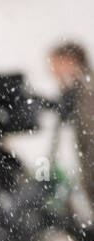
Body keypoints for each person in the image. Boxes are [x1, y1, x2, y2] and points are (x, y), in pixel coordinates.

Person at [51, 41, 94, 215]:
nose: (52, 72)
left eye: (55, 65)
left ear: (71, 62)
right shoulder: (78, 94)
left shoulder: (87, 93)